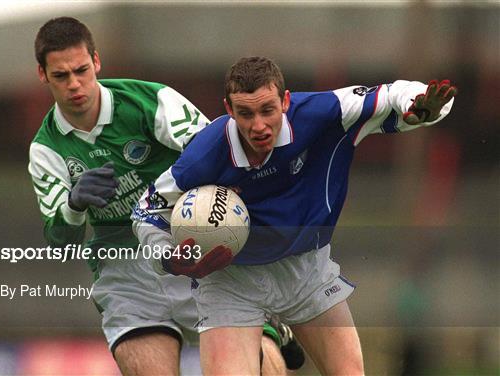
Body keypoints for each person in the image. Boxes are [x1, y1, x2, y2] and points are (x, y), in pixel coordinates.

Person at [132, 56, 457, 374]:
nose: (258, 125)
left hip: (306, 270)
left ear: (285, 101)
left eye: (267, 110)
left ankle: (274, 331)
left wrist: (421, 105)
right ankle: (271, 333)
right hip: (230, 281)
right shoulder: (204, 154)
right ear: (229, 110)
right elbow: (146, 212)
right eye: (245, 113)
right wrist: (169, 258)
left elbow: (390, 95)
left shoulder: (322, 113)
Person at [29, 18, 301, 375]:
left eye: (81, 70)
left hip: (191, 245)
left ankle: (265, 320)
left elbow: (218, 150)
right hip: (125, 271)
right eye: (61, 76)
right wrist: (74, 205)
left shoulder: (149, 101)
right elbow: (60, 242)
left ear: (96, 61)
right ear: (42, 75)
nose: (75, 84)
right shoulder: (46, 149)